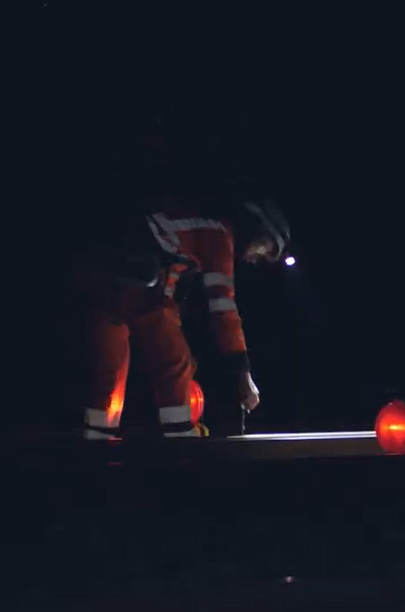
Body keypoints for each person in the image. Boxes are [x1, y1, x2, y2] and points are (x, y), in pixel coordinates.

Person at [70, 111, 291, 440]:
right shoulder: (218, 233)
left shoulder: (185, 220)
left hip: (101, 276)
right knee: (173, 358)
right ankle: (180, 439)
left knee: (108, 366)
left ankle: (98, 442)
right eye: (265, 248)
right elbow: (223, 310)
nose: (258, 259)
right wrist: (243, 374)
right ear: (255, 227)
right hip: (137, 277)